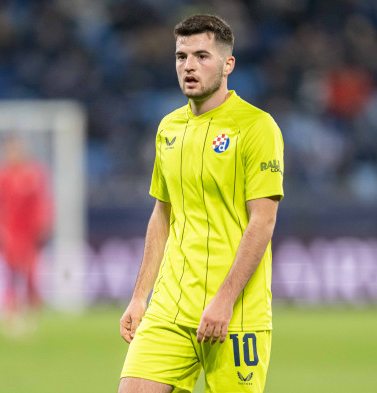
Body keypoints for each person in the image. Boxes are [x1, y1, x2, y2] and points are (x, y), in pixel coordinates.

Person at [118, 14, 284, 393]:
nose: (188, 65)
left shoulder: (257, 128)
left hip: (236, 316)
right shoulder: (168, 129)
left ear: (228, 65)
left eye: (201, 56)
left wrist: (224, 301)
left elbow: (263, 221)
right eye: (181, 56)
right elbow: (162, 214)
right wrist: (139, 297)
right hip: (170, 309)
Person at [0, 135, 52, 336]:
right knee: (9, 276)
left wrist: (43, 227)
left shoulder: (34, 174)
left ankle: (31, 317)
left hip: (29, 235)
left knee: (31, 277)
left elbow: (41, 204)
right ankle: (10, 318)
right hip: (8, 235)